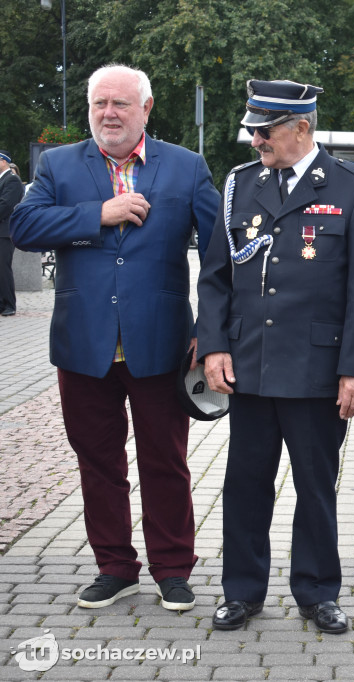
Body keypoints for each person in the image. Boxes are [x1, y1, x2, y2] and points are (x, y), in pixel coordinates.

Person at [10, 64, 218, 610]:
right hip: (83, 346)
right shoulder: (58, 165)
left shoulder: (186, 166)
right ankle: (115, 566)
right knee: (98, 461)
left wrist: (212, 332)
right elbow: (24, 229)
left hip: (162, 344)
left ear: (146, 109)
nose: (109, 113)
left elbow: (218, 256)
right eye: (100, 103)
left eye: (121, 104)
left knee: (165, 462)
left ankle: (173, 568)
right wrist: (96, 214)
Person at [197, 80, 354, 634]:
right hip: (249, 367)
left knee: (315, 486)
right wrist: (213, 347)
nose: (255, 139)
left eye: (266, 130)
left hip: (317, 371)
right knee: (245, 484)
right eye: (253, 129)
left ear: (301, 128)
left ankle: (317, 591)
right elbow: (213, 279)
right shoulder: (240, 185)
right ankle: (242, 590)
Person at [0, 150, 25, 316]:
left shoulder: (12, 180)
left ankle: (9, 304)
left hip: (4, 231)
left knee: (3, 268)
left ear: (3, 161)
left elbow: (6, 205)